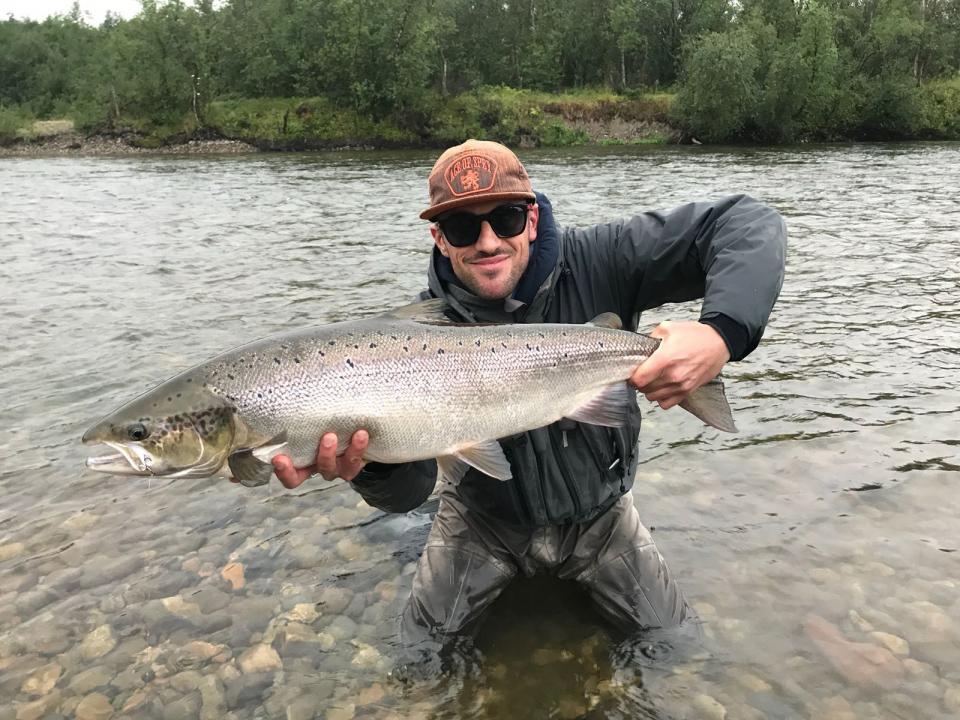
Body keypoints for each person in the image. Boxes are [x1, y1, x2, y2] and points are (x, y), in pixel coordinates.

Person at [272, 139, 787, 645]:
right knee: (419, 656)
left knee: (676, 646)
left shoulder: (604, 258)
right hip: (482, 521)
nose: (488, 241)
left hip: (601, 518)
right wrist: (372, 464)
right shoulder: (407, 341)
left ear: (533, 219)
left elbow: (746, 223)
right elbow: (410, 493)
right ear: (439, 238)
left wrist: (723, 332)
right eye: (462, 226)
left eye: (507, 220)